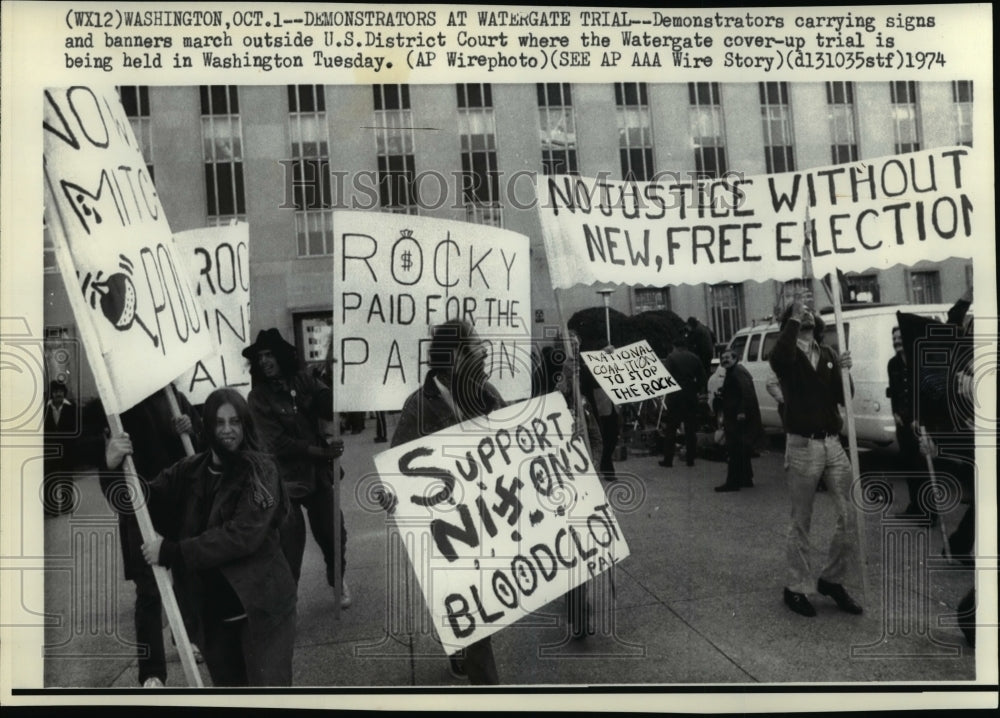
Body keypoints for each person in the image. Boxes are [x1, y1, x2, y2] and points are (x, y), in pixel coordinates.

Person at [106, 388, 298, 686]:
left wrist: (173, 552)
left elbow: (242, 535)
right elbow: (138, 501)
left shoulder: (262, 471)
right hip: (213, 617)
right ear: (207, 427)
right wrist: (113, 467)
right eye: (219, 423)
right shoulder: (189, 471)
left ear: (246, 425)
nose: (227, 430)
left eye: (235, 422)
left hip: (261, 610)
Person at [391, 319, 503, 684]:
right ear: (455, 357)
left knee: (477, 611)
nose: (485, 352)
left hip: (486, 518)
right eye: (476, 347)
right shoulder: (418, 407)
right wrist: (391, 494)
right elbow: (398, 473)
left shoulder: (486, 393)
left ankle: (457, 640)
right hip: (448, 531)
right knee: (475, 624)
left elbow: (514, 440)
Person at [80, 385, 203, 687]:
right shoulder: (111, 408)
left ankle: (185, 635)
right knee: (149, 590)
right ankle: (152, 673)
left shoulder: (171, 395)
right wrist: (107, 461)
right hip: (139, 509)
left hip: (178, 503)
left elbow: (200, 451)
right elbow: (106, 482)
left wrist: (192, 428)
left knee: (186, 576)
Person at [769, 296, 863, 618]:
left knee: (850, 514)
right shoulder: (787, 356)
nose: (807, 314)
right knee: (801, 520)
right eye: (799, 314)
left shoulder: (828, 354)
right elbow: (777, 358)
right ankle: (795, 587)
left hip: (832, 444)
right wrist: (793, 318)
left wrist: (845, 371)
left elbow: (843, 396)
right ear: (790, 324)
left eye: (809, 312)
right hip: (802, 446)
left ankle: (832, 580)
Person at [243, 329, 350, 609]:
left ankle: (337, 579)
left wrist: (333, 381)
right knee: (290, 545)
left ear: (281, 357)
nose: (265, 361)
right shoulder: (257, 398)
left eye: (269, 355)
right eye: (260, 357)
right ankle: (287, 599)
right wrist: (320, 451)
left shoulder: (303, 379)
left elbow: (329, 408)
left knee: (334, 533)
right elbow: (276, 443)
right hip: (284, 480)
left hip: (317, 475)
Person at [887, 326, 927, 520]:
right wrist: (894, 412)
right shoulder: (892, 364)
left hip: (919, 424)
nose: (896, 341)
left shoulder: (918, 361)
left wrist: (919, 417)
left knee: (923, 468)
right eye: (894, 338)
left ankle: (929, 512)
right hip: (902, 424)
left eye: (899, 337)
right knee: (909, 466)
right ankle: (914, 508)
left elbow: (926, 392)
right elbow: (893, 392)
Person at [714, 349, 763, 492]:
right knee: (742, 448)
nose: (725, 360)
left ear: (736, 358)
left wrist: (741, 411)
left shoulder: (736, 372)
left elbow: (745, 392)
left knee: (734, 449)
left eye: (728, 357)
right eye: (722, 358)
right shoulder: (735, 371)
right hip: (737, 416)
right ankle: (746, 479)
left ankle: (733, 482)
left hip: (738, 417)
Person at [660, 339, 707, 469]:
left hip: (675, 396)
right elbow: (703, 378)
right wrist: (695, 389)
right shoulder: (695, 357)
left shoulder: (671, 357)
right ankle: (690, 458)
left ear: (675, 346)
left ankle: (668, 460)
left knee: (671, 428)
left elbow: (665, 376)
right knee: (690, 428)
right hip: (690, 396)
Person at [579, 345, 621, 481]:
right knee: (604, 438)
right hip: (601, 407)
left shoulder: (614, 364)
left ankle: (605, 464)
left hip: (613, 406)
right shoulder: (589, 368)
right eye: (607, 352)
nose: (610, 353)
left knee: (613, 437)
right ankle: (607, 468)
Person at [43, 380, 77, 516]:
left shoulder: (71, 408)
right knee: (49, 478)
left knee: (66, 477)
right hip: (49, 450)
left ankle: (67, 506)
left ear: (64, 393)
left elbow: (75, 429)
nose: (58, 394)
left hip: (66, 449)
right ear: (51, 393)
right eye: (56, 391)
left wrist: (71, 446)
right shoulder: (45, 409)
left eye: (61, 392)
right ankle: (50, 508)